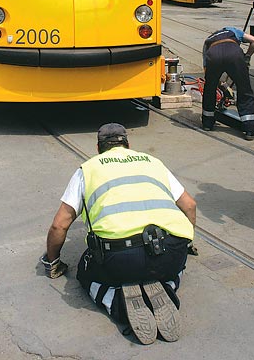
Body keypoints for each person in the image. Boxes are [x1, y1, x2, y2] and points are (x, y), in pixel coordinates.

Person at [41, 123, 196, 345]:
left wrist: (52, 261)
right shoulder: (154, 163)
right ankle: (167, 286)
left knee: (85, 272)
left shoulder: (88, 169)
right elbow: (190, 205)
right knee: (177, 262)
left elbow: (59, 226)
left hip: (120, 259)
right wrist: (186, 247)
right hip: (167, 251)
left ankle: (117, 302)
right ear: (128, 145)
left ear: (98, 148)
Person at [202, 26, 254, 140]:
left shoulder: (208, 40)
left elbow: (206, 67)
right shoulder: (233, 31)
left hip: (213, 55)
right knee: (244, 89)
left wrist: (217, 82)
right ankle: (250, 130)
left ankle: (207, 123)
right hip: (233, 54)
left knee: (209, 88)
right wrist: (247, 57)